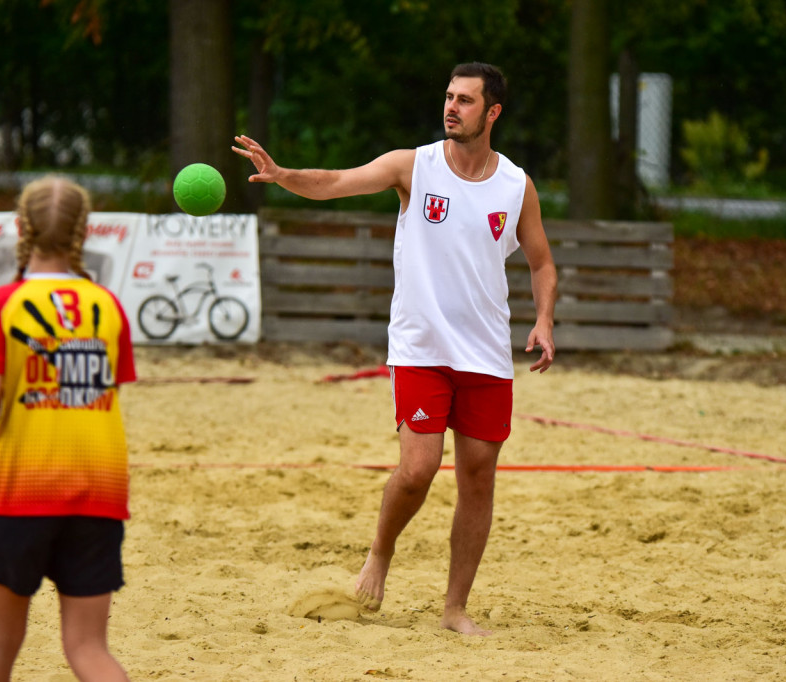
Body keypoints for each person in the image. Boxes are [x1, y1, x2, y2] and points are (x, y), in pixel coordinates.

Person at [234, 62, 557, 635]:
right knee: (418, 468)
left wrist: (545, 320)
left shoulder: (516, 184)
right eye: (449, 97)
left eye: (465, 100)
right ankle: (379, 554)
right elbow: (336, 181)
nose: (452, 107)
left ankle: (454, 609)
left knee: (478, 476)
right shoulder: (415, 165)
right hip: (420, 347)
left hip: (485, 353)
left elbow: (541, 262)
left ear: (493, 113)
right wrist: (283, 174)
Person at [0, 176, 136, 681]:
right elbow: (105, 394)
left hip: (23, 494)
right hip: (98, 492)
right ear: (84, 233)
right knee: (88, 648)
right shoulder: (108, 306)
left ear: (20, 227)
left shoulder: (1, 305)